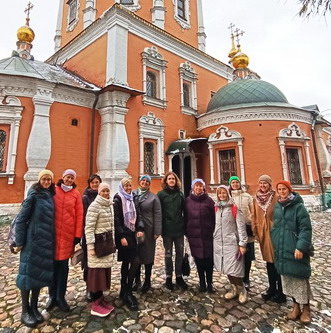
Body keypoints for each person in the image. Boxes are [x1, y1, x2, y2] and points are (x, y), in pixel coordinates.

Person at [14, 170, 55, 328]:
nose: (46, 182)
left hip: (44, 242)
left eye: (49, 179)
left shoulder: (49, 195)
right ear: (39, 180)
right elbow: (21, 219)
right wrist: (19, 241)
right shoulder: (33, 195)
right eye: (44, 179)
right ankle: (25, 311)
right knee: (26, 276)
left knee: (38, 275)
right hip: (32, 241)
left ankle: (34, 307)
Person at [271, 181, 313, 324]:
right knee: (288, 279)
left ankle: (306, 308)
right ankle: (296, 307)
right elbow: (275, 225)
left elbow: (305, 229)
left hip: (295, 248)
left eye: (284, 189)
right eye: (279, 189)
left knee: (300, 278)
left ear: (289, 190)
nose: (282, 191)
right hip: (283, 247)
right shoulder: (278, 206)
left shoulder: (299, 207)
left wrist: (301, 247)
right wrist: (275, 238)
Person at [46, 169, 83, 312]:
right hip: (53, 235)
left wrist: (77, 235)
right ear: (62, 177)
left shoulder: (76, 194)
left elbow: (79, 215)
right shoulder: (53, 190)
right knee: (52, 267)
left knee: (63, 268)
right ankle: (51, 297)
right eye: (67, 177)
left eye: (71, 178)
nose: (69, 180)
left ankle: (60, 297)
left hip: (67, 236)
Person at [251, 174, 286, 303]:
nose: (262, 186)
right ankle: (272, 288)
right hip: (263, 234)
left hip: (275, 234)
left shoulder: (276, 198)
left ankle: (281, 291)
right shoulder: (256, 199)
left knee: (278, 262)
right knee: (269, 262)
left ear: (270, 185)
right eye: (261, 183)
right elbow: (254, 215)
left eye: (265, 183)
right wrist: (256, 231)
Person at [85, 182, 115, 317]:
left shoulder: (108, 205)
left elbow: (111, 225)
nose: (105, 193)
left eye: (107, 191)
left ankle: (101, 300)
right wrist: (90, 246)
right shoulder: (94, 206)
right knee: (96, 274)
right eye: (103, 191)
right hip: (97, 245)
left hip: (106, 244)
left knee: (103, 272)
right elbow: (89, 228)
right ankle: (95, 305)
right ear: (99, 192)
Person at [113, 178, 144, 311]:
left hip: (132, 234)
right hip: (124, 236)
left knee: (135, 261)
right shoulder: (118, 199)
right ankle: (125, 292)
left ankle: (126, 290)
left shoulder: (133, 198)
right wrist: (121, 236)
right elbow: (117, 219)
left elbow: (139, 214)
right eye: (126, 185)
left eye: (130, 185)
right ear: (122, 186)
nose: (128, 187)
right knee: (127, 262)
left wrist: (140, 228)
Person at [214, 185, 248, 303]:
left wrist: (242, 243)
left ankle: (242, 289)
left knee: (235, 268)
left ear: (228, 194)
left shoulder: (234, 208)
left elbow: (241, 227)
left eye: (224, 193)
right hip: (220, 242)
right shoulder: (217, 208)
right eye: (220, 193)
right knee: (227, 268)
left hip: (232, 242)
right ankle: (234, 288)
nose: (222, 195)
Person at [157, 172, 188, 291]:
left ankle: (179, 276)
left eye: (173, 179)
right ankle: (168, 277)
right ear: (166, 181)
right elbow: (159, 212)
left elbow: (184, 211)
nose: (171, 181)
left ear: (176, 181)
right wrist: (159, 228)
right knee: (168, 254)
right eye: (169, 179)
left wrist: (185, 226)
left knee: (180, 253)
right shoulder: (161, 195)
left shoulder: (180, 194)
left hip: (179, 228)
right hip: (167, 229)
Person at [132, 175, 162, 293]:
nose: (144, 182)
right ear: (139, 182)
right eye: (143, 180)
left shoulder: (153, 197)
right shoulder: (133, 194)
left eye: (147, 181)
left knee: (148, 254)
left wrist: (157, 231)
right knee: (136, 254)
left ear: (149, 184)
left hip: (149, 229)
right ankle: (137, 279)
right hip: (135, 229)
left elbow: (158, 214)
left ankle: (147, 280)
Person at [185, 178, 215, 292]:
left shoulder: (209, 201)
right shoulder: (188, 201)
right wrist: (186, 231)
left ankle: (210, 283)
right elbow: (186, 217)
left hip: (207, 235)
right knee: (198, 260)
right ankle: (202, 282)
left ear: (203, 187)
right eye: (196, 186)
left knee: (208, 260)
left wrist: (212, 230)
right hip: (194, 235)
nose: (198, 188)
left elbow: (214, 217)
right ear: (193, 187)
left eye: (200, 186)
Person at [228, 176, 255, 290]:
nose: (235, 184)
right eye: (233, 182)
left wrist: (253, 226)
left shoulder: (247, 197)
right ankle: (236, 279)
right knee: (236, 257)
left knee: (247, 256)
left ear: (240, 183)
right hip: (234, 231)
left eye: (236, 182)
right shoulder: (228, 198)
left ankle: (246, 279)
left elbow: (253, 213)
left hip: (247, 229)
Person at [82, 174, 102, 300]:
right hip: (89, 235)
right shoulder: (85, 198)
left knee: (100, 262)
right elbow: (83, 217)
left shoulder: (103, 196)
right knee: (88, 262)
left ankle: (99, 287)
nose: (95, 185)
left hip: (101, 235)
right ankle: (89, 288)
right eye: (93, 182)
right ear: (89, 184)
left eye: (97, 182)